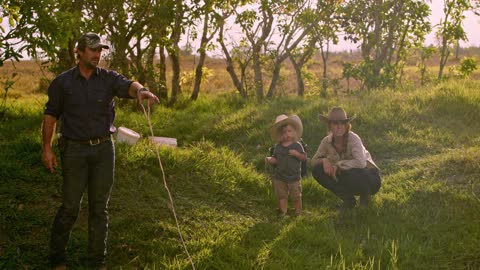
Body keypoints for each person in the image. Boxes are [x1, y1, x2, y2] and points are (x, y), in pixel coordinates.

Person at [41, 32, 159, 270]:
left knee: (99, 208)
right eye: (93, 50)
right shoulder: (62, 82)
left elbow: (128, 85)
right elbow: (51, 115)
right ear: (79, 52)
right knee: (70, 206)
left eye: (100, 50)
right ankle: (57, 259)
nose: (97, 55)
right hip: (73, 150)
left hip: (104, 150)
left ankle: (97, 262)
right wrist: (47, 149)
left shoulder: (107, 78)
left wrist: (141, 91)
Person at [311, 107, 381, 211]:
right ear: (330, 126)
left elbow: (361, 163)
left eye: (342, 123)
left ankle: (365, 197)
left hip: (369, 178)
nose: (339, 127)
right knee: (317, 170)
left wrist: (338, 165)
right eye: (335, 123)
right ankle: (348, 200)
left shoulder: (354, 138)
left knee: (352, 173)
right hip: (346, 177)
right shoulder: (326, 141)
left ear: (346, 125)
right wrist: (324, 161)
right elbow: (313, 162)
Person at [266, 114, 307, 217]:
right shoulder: (278, 147)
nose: (287, 134)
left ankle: (298, 212)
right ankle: (283, 211)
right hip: (280, 177)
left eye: (289, 131)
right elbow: (276, 159)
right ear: (280, 135)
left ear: (294, 132)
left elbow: (303, 158)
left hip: (294, 177)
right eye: (284, 132)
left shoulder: (297, 145)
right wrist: (271, 160)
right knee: (281, 196)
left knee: (296, 196)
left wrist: (297, 154)